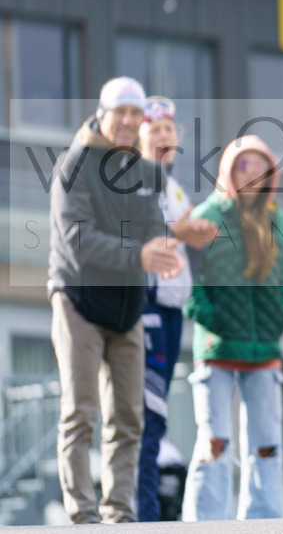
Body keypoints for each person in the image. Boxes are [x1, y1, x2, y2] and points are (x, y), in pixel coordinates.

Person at [47, 76, 185, 524]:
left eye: (135, 113)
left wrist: (167, 250)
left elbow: (150, 232)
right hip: (78, 299)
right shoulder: (74, 163)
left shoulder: (148, 172)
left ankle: (118, 515)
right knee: (81, 412)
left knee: (128, 417)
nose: (128, 121)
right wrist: (141, 252)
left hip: (126, 307)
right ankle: (82, 515)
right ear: (102, 113)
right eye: (120, 112)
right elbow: (77, 240)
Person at [181, 135, 283, 521]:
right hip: (217, 347)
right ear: (230, 170)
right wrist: (209, 317)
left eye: (259, 166)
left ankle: (264, 520)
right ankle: (204, 522)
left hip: (264, 348)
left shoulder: (277, 219)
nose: (251, 173)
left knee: (266, 443)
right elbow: (187, 274)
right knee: (214, 440)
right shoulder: (209, 214)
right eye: (243, 165)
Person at [134, 97, 218, 522]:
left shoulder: (173, 185)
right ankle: (142, 513)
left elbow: (182, 233)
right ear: (139, 136)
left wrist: (196, 232)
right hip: (146, 304)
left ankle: (145, 510)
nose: (165, 135)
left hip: (170, 306)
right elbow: (137, 237)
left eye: (170, 128)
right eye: (156, 129)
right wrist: (181, 230)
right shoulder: (134, 178)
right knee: (148, 412)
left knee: (158, 409)